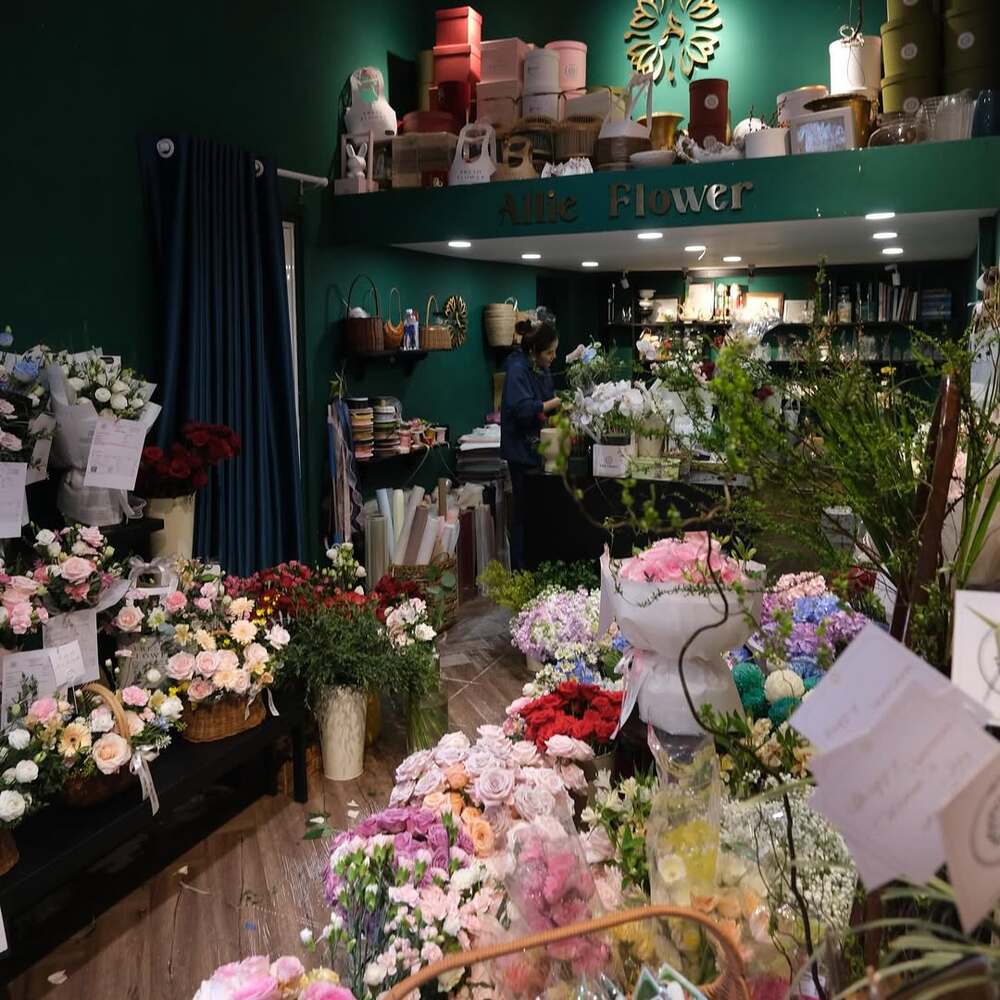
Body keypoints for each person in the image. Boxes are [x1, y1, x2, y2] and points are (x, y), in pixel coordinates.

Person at [501, 321, 561, 570]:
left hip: (538, 450)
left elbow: (547, 396)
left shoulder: (540, 368)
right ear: (534, 350)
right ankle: (521, 570)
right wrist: (552, 405)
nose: (553, 357)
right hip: (521, 452)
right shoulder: (517, 369)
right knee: (523, 514)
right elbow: (523, 410)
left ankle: (538, 566)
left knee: (540, 512)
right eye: (549, 352)